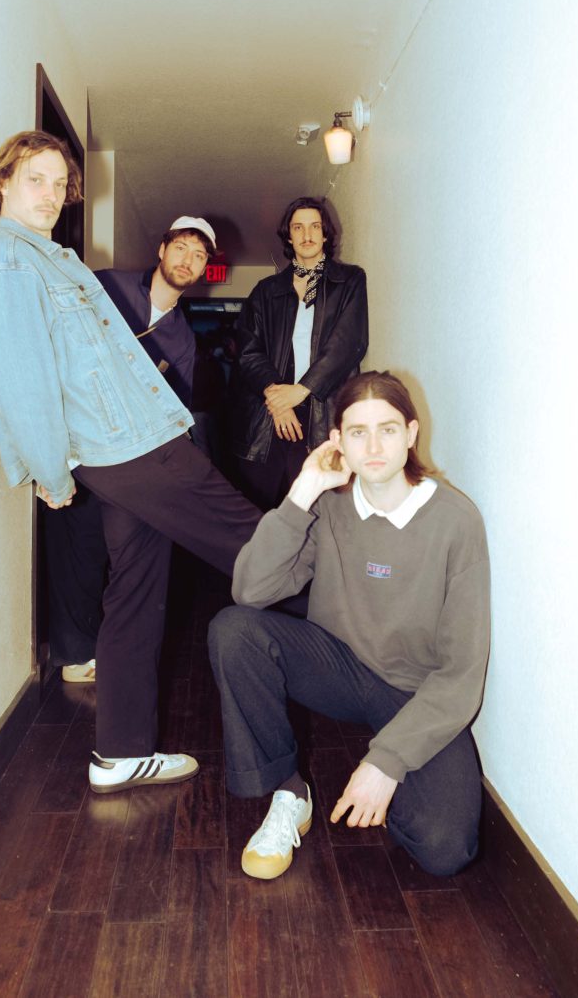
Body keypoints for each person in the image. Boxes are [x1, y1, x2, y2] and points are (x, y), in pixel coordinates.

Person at [0, 131, 261, 792]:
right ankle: (371, 629)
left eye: (59, 183)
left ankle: (120, 752)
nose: (51, 194)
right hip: (128, 446)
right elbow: (23, 382)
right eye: (35, 179)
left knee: (137, 590)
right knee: (253, 537)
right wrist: (49, 470)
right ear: (3, 183)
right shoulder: (10, 266)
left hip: (132, 439)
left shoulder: (52, 260)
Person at [208, 370, 490, 881]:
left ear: (411, 433)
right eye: (358, 432)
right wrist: (301, 493)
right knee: (235, 631)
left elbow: (461, 673)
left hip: (414, 691)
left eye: (388, 429)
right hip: (338, 668)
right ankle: (288, 793)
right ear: (337, 440)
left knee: (445, 848)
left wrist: (387, 762)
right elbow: (250, 591)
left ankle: (385, 776)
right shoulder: (328, 503)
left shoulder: (455, 520)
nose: (374, 447)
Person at [47, 216, 218, 684]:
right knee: (78, 547)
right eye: (181, 248)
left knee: (125, 555)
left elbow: (174, 410)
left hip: (131, 458)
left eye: (199, 256)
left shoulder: (183, 339)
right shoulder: (109, 286)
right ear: (162, 249)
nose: (187, 260)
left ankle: (112, 651)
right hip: (80, 443)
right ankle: (74, 655)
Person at [230, 196, 369, 510]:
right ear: (289, 236)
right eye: (298, 227)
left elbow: (348, 344)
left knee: (316, 511)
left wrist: (302, 390)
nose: (307, 234)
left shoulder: (349, 281)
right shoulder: (265, 291)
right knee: (258, 513)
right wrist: (278, 398)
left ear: (325, 234)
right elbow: (249, 352)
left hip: (323, 412)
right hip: (269, 417)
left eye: (315, 226)